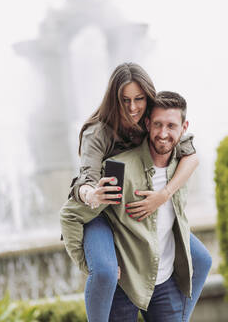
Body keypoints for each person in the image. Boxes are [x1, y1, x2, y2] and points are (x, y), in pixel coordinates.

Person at [61, 91, 211, 321]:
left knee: (202, 259)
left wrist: (163, 195)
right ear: (147, 124)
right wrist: (87, 263)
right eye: (158, 125)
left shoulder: (181, 162)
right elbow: (70, 215)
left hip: (163, 282)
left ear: (184, 128)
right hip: (127, 284)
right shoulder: (117, 164)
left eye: (171, 126)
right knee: (103, 271)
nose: (163, 133)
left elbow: (194, 158)